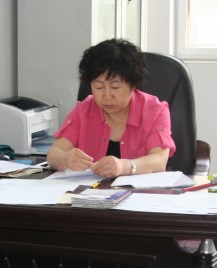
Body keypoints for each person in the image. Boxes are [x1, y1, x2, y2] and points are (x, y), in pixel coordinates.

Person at [47, 38, 176, 178]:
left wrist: (124, 166)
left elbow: (159, 161)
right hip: (89, 190)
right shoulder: (83, 110)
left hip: (139, 190)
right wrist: (66, 159)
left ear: (133, 85)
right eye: (99, 87)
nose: (107, 96)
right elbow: (54, 154)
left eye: (115, 87)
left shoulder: (155, 111)